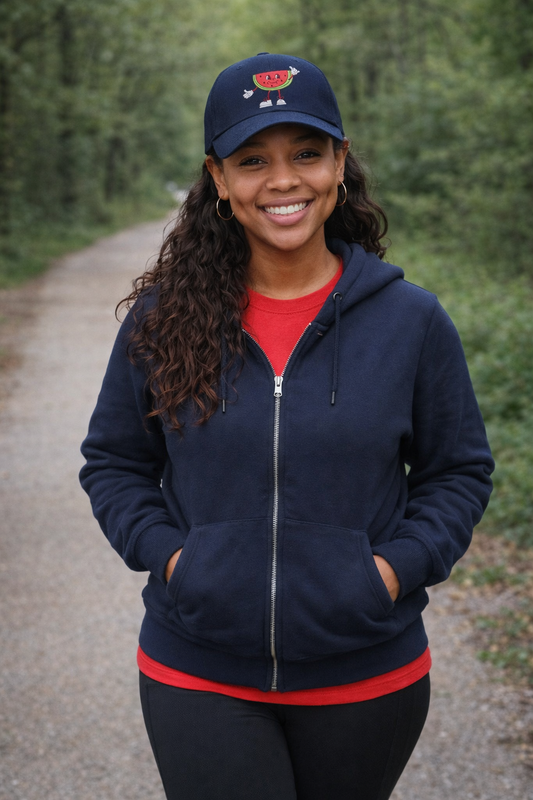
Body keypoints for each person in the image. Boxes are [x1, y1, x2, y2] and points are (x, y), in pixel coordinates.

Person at [79, 53, 494, 800]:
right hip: (197, 668)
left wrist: (389, 572)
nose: (282, 180)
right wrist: (177, 561)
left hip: (367, 674)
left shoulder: (411, 322)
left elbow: (457, 472)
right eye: (252, 159)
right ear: (218, 177)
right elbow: (113, 463)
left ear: (339, 162)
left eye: (306, 153)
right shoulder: (161, 320)